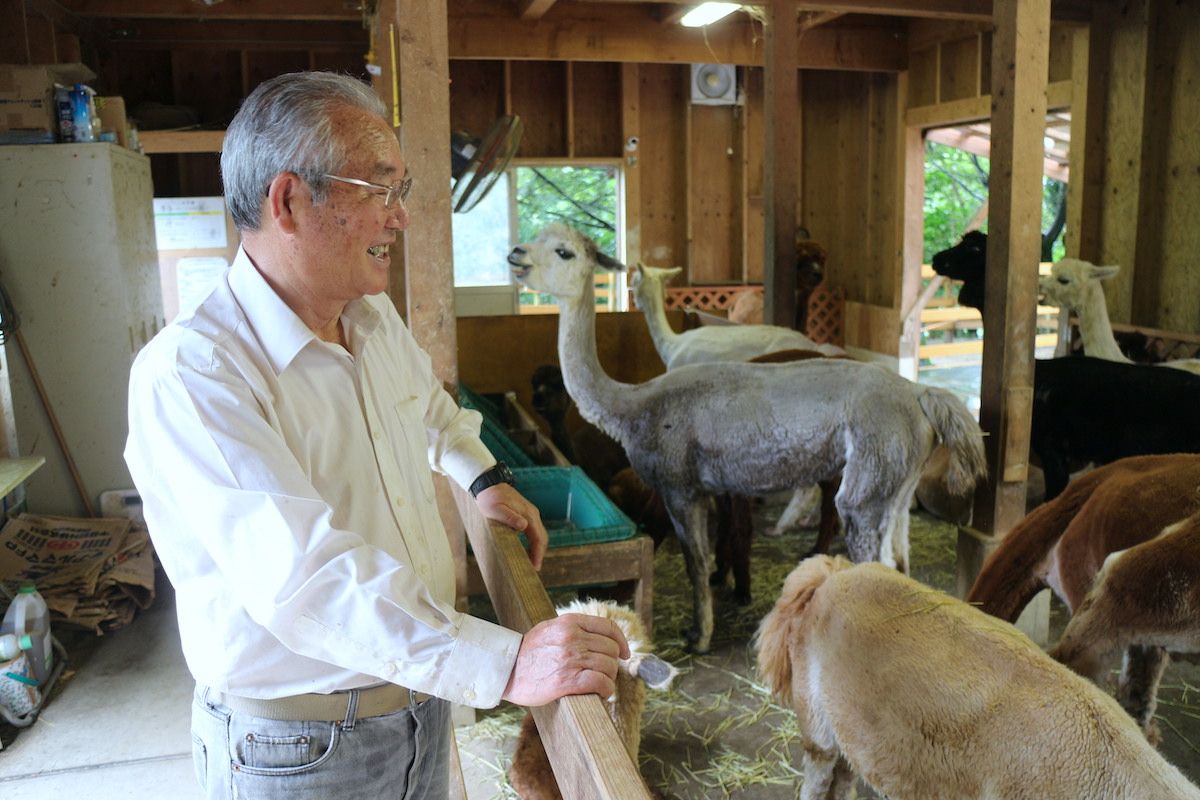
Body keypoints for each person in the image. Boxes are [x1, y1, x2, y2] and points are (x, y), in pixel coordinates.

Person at [124, 71, 629, 800]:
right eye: (378, 190)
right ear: (290, 201)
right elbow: (306, 580)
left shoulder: (368, 316)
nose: (401, 217)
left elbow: (425, 405)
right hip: (302, 746)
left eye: (401, 189)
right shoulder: (195, 375)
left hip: (417, 703)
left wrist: (482, 478)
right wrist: (503, 663)